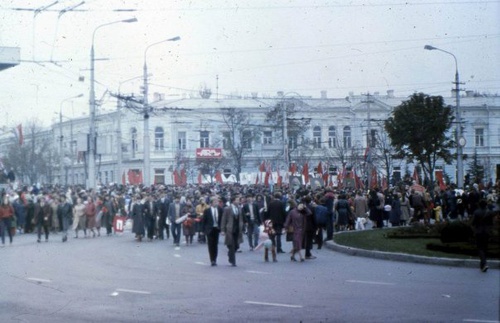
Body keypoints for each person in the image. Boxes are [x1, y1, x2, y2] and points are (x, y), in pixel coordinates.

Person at [471, 199, 494, 272]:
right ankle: (482, 265)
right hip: (487, 232)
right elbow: (491, 224)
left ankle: (484, 263)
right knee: (485, 248)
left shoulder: (476, 212)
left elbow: (473, 223)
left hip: (478, 232)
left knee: (480, 248)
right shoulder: (489, 213)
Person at [220, 195, 244, 267]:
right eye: (237, 200)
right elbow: (223, 220)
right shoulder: (227, 209)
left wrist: (243, 225)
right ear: (233, 201)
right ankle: (233, 261)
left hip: (238, 229)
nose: (238, 201)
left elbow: (241, 218)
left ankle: (230, 253)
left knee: (237, 245)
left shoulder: (239, 208)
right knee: (231, 245)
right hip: (230, 229)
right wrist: (223, 230)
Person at [202, 196, 222, 266]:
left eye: (217, 201)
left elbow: (222, 220)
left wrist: (222, 229)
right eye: (215, 202)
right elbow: (204, 221)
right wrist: (203, 230)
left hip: (216, 229)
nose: (217, 203)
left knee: (215, 244)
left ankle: (215, 259)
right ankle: (212, 260)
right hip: (209, 229)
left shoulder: (220, 209)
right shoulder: (207, 210)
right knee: (210, 245)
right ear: (211, 203)